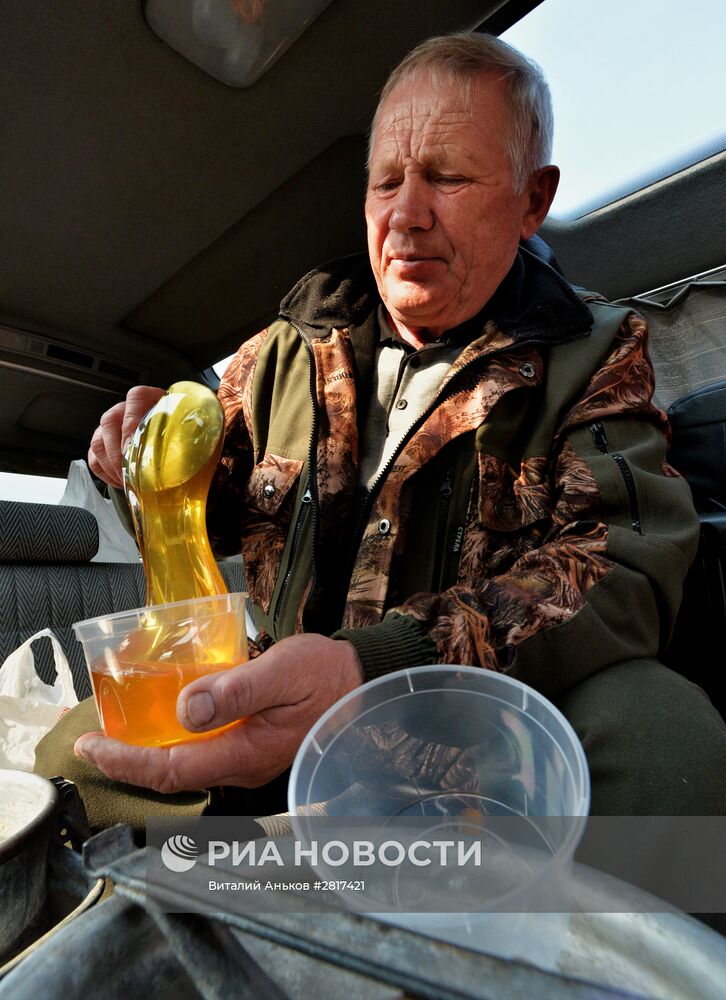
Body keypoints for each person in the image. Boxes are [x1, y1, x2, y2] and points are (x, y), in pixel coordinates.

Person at [61, 32, 726, 817]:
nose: (406, 215)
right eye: (386, 184)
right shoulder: (286, 352)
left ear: (531, 201)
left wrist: (375, 671)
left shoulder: (593, 355)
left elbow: (619, 569)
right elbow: (204, 515)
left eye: (447, 177)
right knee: (65, 756)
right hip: (272, 719)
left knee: (664, 737)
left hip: (469, 742)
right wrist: (137, 463)